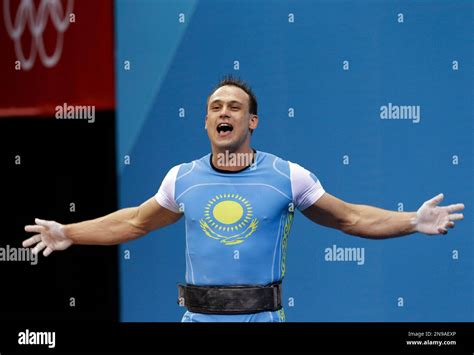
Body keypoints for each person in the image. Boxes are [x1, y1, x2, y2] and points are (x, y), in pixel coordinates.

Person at [23, 76, 465, 322]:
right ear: (205, 122)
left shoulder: (287, 176)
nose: (223, 113)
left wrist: (412, 221)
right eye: (215, 107)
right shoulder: (182, 179)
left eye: (234, 107)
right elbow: (135, 222)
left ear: (251, 121)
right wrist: (69, 233)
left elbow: (349, 219)